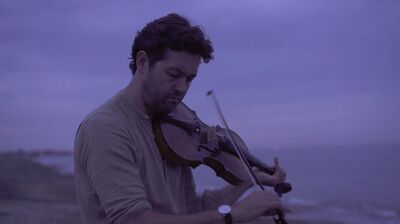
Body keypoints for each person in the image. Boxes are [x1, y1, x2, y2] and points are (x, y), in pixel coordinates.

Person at [74, 13, 288, 224]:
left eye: (190, 79)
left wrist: (248, 181)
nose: (182, 88)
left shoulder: (175, 127)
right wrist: (232, 216)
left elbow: (190, 209)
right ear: (142, 62)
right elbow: (132, 219)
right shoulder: (106, 127)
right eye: (174, 75)